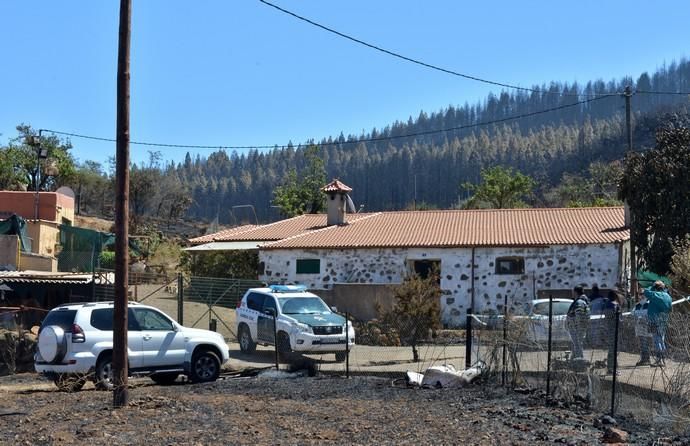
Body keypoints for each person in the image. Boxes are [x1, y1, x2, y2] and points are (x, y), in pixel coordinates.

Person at [644, 281, 672, 367]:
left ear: (656, 288)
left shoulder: (656, 295)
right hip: (663, 320)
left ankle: (659, 359)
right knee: (661, 340)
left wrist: (652, 286)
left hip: (654, 320)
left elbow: (646, 291)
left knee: (656, 340)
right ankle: (663, 358)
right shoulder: (668, 296)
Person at [566, 286, 590, 360]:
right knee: (576, 344)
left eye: (573, 291)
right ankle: (574, 359)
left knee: (577, 345)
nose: (572, 293)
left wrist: (577, 326)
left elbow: (579, 316)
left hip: (576, 328)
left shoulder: (579, 302)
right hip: (576, 328)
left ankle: (579, 361)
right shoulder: (580, 301)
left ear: (575, 292)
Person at [603, 291, 620, 374]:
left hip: (609, 329)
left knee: (611, 350)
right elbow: (619, 318)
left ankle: (611, 368)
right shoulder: (615, 305)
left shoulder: (606, 304)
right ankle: (612, 368)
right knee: (614, 350)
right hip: (615, 330)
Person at [632, 293, 652, 366]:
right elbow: (633, 314)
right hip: (639, 327)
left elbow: (650, 314)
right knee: (642, 344)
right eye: (641, 295)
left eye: (643, 294)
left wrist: (642, 317)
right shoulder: (637, 305)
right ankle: (644, 359)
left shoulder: (649, 305)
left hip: (647, 327)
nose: (642, 296)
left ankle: (646, 359)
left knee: (645, 344)